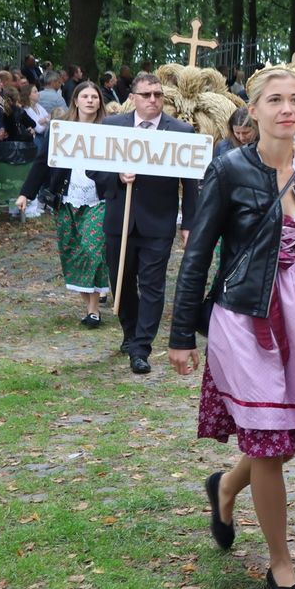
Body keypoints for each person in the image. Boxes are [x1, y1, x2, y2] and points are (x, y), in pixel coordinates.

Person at [168, 65, 295, 589]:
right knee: (270, 440)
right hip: (245, 317)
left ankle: (225, 488)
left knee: (280, 441)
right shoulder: (228, 171)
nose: (288, 109)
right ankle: (281, 562)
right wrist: (180, 334)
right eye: (275, 100)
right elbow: (198, 254)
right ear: (253, 108)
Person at [90, 73, 199, 375]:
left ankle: (141, 348)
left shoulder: (180, 130)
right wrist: (116, 176)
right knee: (121, 283)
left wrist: (189, 221)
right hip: (120, 220)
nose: (153, 99)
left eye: (158, 94)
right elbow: (92, 167)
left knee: (152, 285)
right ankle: (130, 332)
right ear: (134, 98)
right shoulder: (112, 127)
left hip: (158, 221)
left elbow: (191, 182)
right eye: (147, 94)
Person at [15, 81, 110, 327]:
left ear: (100, 102)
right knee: (72, 252)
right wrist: (26, 193)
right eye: (85, 96)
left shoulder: (110, 129)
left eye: (95, 97)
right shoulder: (61, 129)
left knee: (92, 250)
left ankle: (94, 309)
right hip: (66, 199)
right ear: (75, 101)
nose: (90, 100)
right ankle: (88, 303)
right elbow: (41, 162)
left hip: (99, 200)